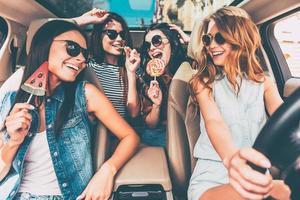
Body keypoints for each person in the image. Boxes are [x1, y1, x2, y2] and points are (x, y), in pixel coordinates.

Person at [0, 20, 139, 200]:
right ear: (45, 44)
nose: (81, 59)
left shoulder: (85, 94)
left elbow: (131, 136)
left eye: (84, 54)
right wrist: (13, 142)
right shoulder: (11, 98)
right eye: (72, 48)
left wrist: (107, 170)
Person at [187, 6, 290, 200]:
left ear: (240, 39)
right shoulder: (203, 83)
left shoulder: (264, 83)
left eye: (219, 38)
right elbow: (214, 122)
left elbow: (283, 119)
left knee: (286, 191)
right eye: (207, 39)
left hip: (255, 175)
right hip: (212, 175)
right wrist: (232, 158)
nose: (211, 45)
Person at [74, 9, 141, 120]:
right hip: (92, 133)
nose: (119, 39)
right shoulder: (87, 66)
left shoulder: (131, 69)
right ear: (98, 36)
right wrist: (83, 20)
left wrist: (131, 72)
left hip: (120, 133)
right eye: (111, 34)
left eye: (122, 34)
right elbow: (50, 29)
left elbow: (133, 113)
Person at [138, 22, 189, 147]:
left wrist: (189, 41)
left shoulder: (189, 68)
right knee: (149, 134)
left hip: (189, 127)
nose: (151, 48)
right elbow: (151, 125)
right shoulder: (148, 80)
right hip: (162, 132)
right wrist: (156, 105)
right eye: (147, 45)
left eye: (157, 40)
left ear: (171, 42)